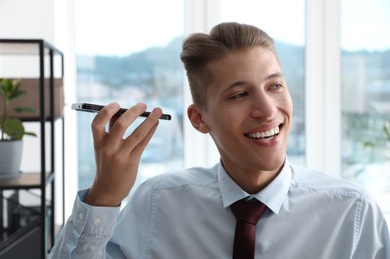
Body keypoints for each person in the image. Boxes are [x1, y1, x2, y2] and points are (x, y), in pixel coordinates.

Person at [49, 22, 389, 258]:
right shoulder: (156, 204)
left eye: (275, 86)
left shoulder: (353, 213)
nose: (268, 110)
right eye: (239, 94)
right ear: (199, 119)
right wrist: (104, 198)